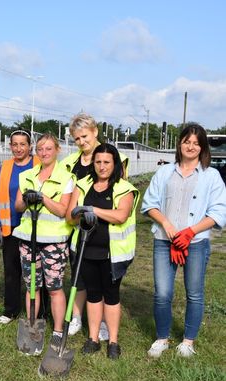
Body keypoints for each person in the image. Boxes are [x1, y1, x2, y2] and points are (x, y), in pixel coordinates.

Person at [142, 124, 226, 358]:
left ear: (202, 148)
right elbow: (150, 204)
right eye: (187, 141)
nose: (190, 146)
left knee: (195, 293)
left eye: (196, 143)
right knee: (162, 293)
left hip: (195, 243)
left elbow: (219, 212)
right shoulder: (164, 173)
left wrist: (190, 232)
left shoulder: (211, 176)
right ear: (179, 144)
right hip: (164, 240)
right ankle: (162, 338)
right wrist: (167, 225)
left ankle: (188, 341)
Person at [60, 112, 129, 340]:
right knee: (79, 277)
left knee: (101, 283)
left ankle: (100, 323)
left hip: (105, 235)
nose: (82, 142)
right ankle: (78, 317)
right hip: (77, 231)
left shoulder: (113, 158)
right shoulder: (71, 163)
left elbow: (119, 194)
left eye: (85, 136)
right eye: (77, 139)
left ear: (95, 132)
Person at [66, 143, 139, 359]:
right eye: (98, 162)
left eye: (106, 162)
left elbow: (120, 216)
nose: (102, 166)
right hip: (86, 250)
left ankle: (113, 342)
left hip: (112, 253)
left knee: (112, 296)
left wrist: (92, 210)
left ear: (114, 163)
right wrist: (78, 213)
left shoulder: (124, 188)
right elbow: (70, 217)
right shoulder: (82, 184)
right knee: (93, 294)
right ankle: (94, 338)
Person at [12, 133, 74, 348]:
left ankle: (57, 330)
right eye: (40, 149)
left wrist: (43, 198)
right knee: (32, 287)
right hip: (29, 238)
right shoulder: (27, 175)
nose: (44, 153)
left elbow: (62, 210)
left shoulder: (66, 177)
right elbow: (18, 207)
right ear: (36, 152)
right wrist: (26, 200)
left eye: (49, 148)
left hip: (54, 241)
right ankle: (32, 326)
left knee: (55, 287)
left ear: (57, 150)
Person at [0, 130, 39, 324]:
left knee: (35, 271)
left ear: (30, 146)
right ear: (10, 146)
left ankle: (38, 311)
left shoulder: (39, 165)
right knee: (11, 270)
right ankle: (10, 310)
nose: (18, 148)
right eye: (15, 144)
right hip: (9, 226)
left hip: (34, 227)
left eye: (23, 144)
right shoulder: (5, 167)